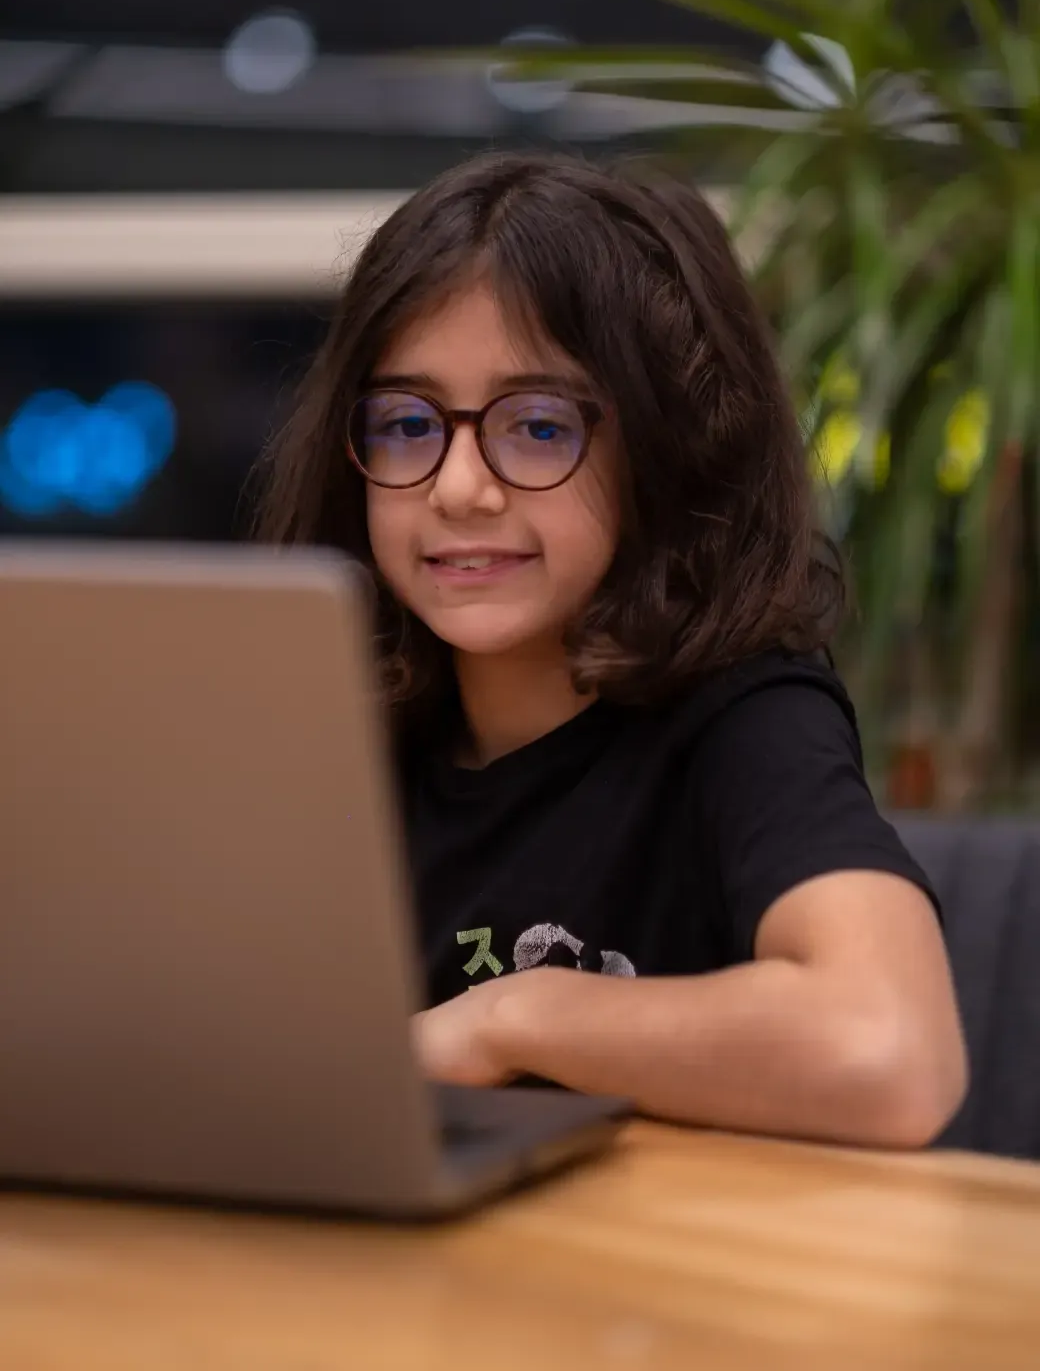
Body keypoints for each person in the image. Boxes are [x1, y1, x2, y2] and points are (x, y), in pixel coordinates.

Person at [257, 151, 967, 1148]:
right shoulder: (336, 735)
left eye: (539, 426)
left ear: (661, 454)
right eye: (409, 424)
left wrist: (512, 1015)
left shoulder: (746, 715)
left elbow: (888, 1051)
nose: (459, 487)